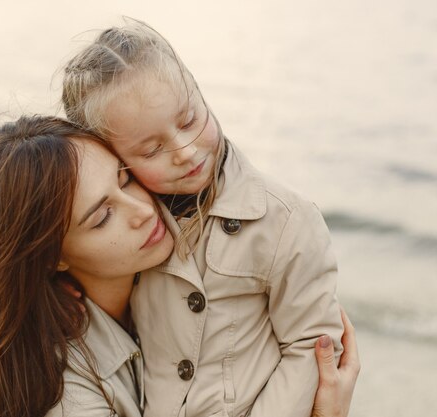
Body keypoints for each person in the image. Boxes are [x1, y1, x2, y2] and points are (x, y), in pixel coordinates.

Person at [0, 116, 359, 417]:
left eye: (126, 180)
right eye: (102, 218)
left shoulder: (187, 282)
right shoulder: (64, 394)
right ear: (52, 256)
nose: (141, 211)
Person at [62, 21, 344, 417]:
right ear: (113, 160)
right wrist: (56, 284)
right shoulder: (140, 233)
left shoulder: (283, 220)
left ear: (198, 90)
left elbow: (312, 344)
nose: (184, 151)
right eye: (151, 149)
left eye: (190, 119)